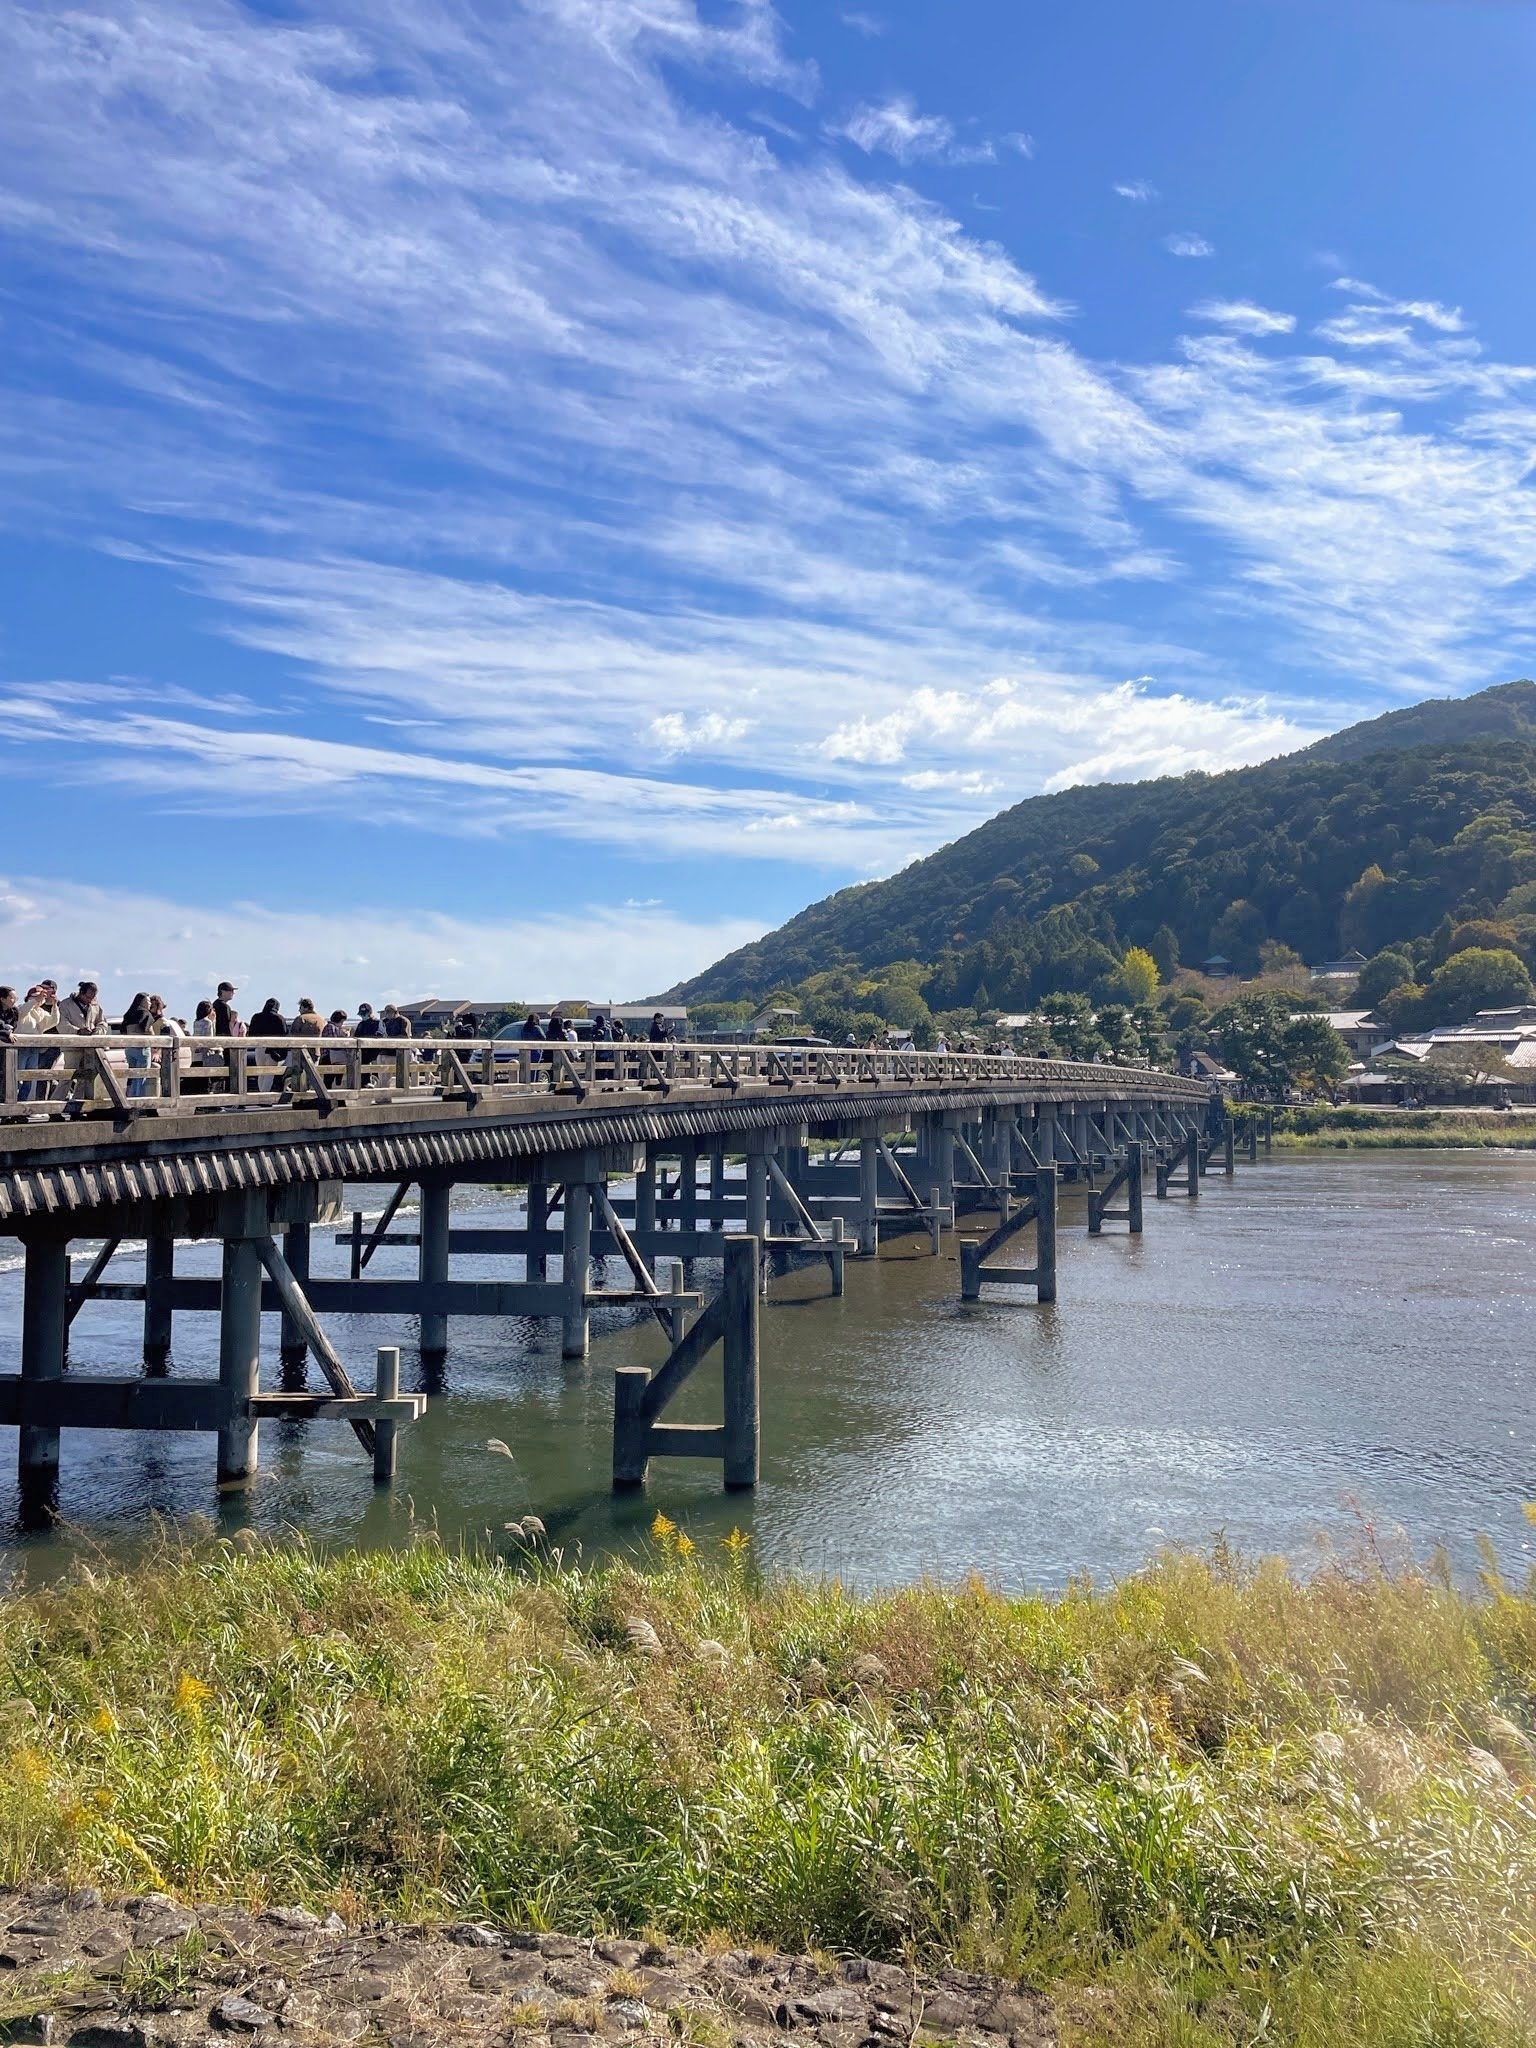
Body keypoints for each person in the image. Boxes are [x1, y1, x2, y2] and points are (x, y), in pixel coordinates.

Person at [16, 982, 59, 1104]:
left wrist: (55, 1006)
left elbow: (53, 1021)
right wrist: (34, 1001)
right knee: (17, 1078)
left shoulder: (40, 1012)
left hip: (34, 1049)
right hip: (21, 1049)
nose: (40, 999)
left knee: (29, 1079)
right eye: (36, 996)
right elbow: (22, 1013)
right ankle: (12, 1103)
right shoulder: (21, 1008)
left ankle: (22, 1104)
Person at [119, 991, 154, 1098]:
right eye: (148, 1001)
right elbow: (147, 1030)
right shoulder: (145, 1013)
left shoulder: (128, 1013)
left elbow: (123, 1030)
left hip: (129, 1047)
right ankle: (139, 1099)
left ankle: (130, 1097)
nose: (150, 1004)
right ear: (142, 1002)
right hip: (142, 1048)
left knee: (132, 1074)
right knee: (142, 1075)